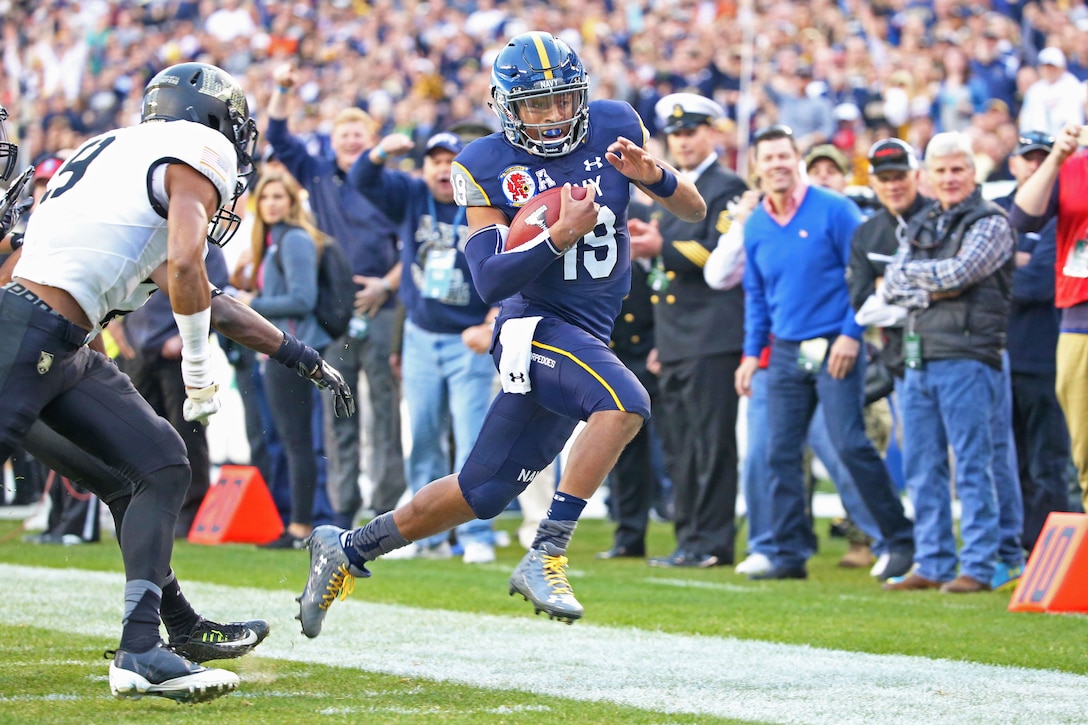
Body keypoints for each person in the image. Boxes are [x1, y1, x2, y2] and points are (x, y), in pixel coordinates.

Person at [295, 31, 706, 636]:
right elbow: (488, 280)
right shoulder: (484, 162)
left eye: (565, 100)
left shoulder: (616, 123)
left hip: (587, 335)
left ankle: (349, 547)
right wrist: (555, 237)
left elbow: (693, 211)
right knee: (626, 402)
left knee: (480, 491)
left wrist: (657, 177)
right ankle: (547, 553)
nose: (554, 115)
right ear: (507, 106)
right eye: (537, 104)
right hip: (531, 328)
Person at [0, 62, 353, 702]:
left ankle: (150, 644)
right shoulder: (199, 148)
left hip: (59, 339)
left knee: (159, 464)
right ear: (218, 121)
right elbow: (189, 263)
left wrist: (299, 354)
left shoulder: (118, 152)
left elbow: (201, 291)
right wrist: (197, 369)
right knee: (152, 465)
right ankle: (164, 637)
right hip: (27, 336)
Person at [734, 125, 915, 581]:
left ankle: (899, 542)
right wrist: (752, 354)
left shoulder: (835, 209)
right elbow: (757, 296)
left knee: (850, 443)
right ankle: (787, 553)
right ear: (756, 166)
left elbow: (866, 274)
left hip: (838, 344)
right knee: (779, 451)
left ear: (796, 159)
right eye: (768, 157)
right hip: (787, 351)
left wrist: (852, 333)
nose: (776, 164)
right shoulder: (755, 224)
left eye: (783, 155)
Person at [349, 129, 499, 564]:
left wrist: (493, 319)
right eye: (433, 159)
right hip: (419, 336)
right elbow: (361, 181)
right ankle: (424, 535)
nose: (440, 167)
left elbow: (512, 262)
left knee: (473, 440)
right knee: (425, 437)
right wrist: (379, 153)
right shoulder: (411, 196)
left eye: (450, 159)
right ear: (423, 167)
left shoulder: (485, 204)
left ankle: (477, 535)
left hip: (467, 338)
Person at [268, 64, 405, 528]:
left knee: (385, 411)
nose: (350, 139)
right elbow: (279, 137)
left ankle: (387, 507)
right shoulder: (319, 175)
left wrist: (388, 282)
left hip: (385, 305)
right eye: (342, 132)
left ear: (373, 138)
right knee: (338, 407)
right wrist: (285, 88)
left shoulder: (390, 182)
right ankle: (342, 508)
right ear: (331, 139)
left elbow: (417, 240)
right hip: (338, 314)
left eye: (358, 132)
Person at [880, 131, 1016, 594]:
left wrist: (920, 278)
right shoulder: (922, 222)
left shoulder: (992, 220)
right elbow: (891, 282)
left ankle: (979, 564)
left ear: (974, 173)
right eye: (941, 171)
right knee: (922, 464)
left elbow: (961, 272)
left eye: (958, 169)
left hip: (968, 355)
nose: (950, 178)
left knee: (973, 465)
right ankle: (933, 559)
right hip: (918, 357)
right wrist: (933, 281)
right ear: (928, 177)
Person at [628, 92, 748, 568]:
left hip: (713, 332)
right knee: (679, 448)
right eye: (676, 134)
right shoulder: (666, 191)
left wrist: (662, 248)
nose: (683, 141)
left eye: (691, 131)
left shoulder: (727, 185)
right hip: (675, 337)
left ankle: (712, 541)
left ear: (711, 132)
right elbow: (660, 277)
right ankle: (689, 538)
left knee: (711, 444)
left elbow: (721, 252)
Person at [233, 169, 333, 548]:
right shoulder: (273, 241)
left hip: (293, 352)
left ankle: (300, 527)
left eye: (280, 196)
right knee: (288, 440)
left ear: (292, 203)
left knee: (297, 442)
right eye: (267, 197)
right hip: (279, 352)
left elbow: (302, 299)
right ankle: (295, 522)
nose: (272, 203)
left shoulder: (293, 240)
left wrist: (250, 304)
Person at [998, 131, 1072, 559]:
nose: (1036, 165)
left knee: (1050, 463)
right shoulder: (1001, 210)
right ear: (1015, 164)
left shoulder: (1066, 213)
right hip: (1005, 356)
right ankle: (1025, 547)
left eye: (1044, 159)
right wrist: (1017, 264)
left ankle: (1056, 553)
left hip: (1046, 358)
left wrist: (1008, 264)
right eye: (1029, 159)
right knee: (1013, 463)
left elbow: (1040, 282)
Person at [1011, 121, 1088, 513]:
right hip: (1080, 322)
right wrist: (1057, 157)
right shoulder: (1071, 166)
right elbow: (1021, 218)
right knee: (1085, 453)